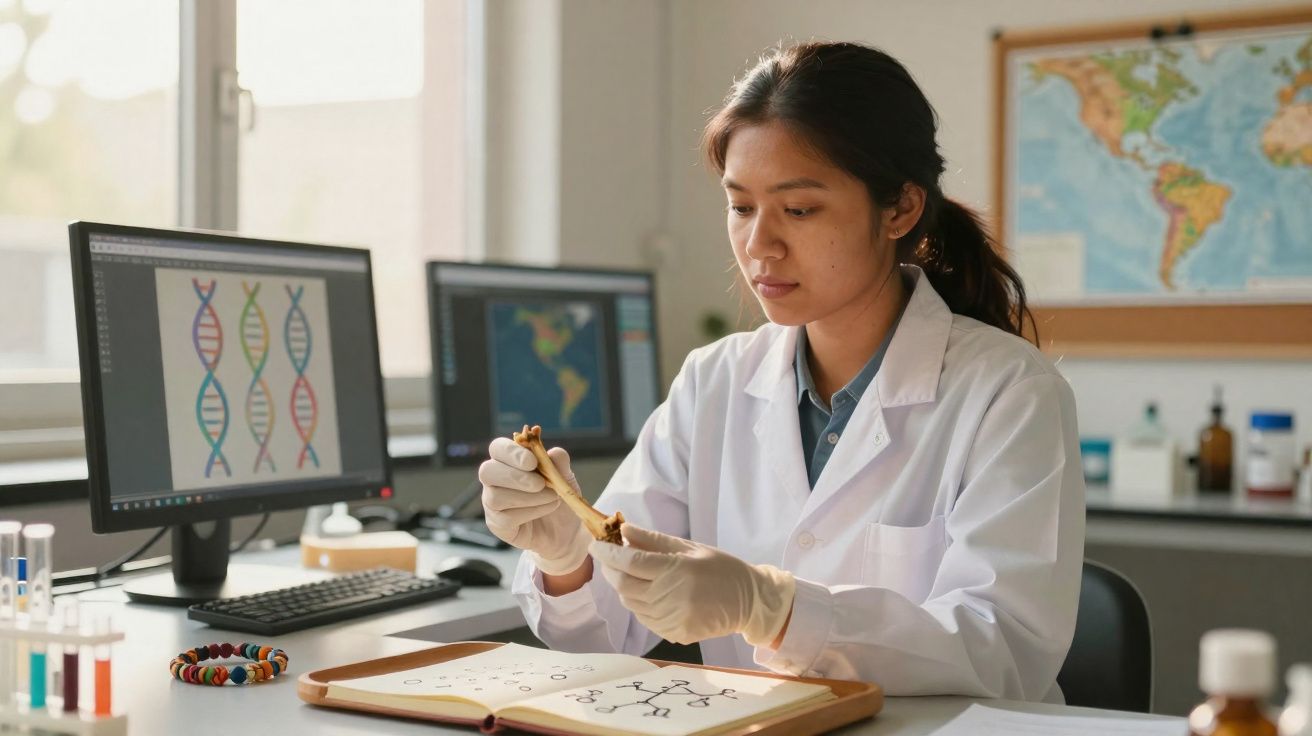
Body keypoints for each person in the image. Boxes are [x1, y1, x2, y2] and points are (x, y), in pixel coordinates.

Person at [478, 41, 1085, 702]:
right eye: (741, 207)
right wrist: (565, 558)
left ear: (900, 210)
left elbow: (1004, 653)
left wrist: (774, 608)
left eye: (798, 210)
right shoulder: (714, 383)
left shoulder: (1009, 393)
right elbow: (602, 634)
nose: (759, 244)